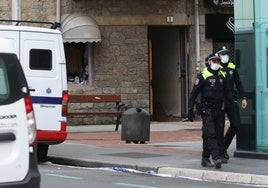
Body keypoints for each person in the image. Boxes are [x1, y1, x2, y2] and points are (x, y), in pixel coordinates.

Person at [188, 53, 233, 169]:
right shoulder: (203, 75)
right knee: (211, 133)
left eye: (218, 61)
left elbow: (228, 92)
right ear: (209, 62)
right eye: (214, 61)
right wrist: (190, 109)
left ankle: (205, 158)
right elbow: (194, 93)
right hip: (206, 109)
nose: (216, 63)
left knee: (214, 134)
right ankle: (216, 157)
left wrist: (230, 105)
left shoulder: (222, 75)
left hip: (219, 109)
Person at [215, 46, 247, 163]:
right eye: (222, 54)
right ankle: (220, 152)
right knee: (219, 127)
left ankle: (223, 148)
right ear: (218, 56)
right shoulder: (215, 68)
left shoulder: (232, 66)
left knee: (235, 125)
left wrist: (243, 97)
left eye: (226, 54)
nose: (225, 56)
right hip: (220, 102)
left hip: (231, 100)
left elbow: (238, 82)